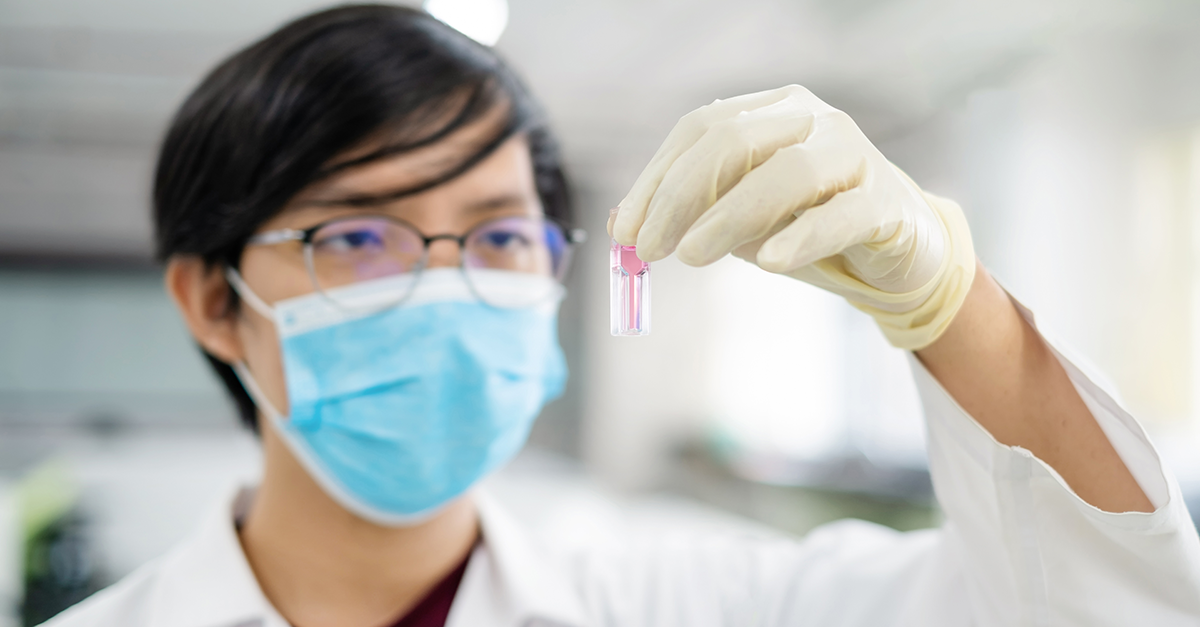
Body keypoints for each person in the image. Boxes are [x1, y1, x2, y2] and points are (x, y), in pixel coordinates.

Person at [43, 4, 1200, 626]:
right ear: (211, 301)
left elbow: (1104, 613)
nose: (449, 284)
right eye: (358, 236)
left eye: (500, 236)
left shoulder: (701, 603)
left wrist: (955, 309)